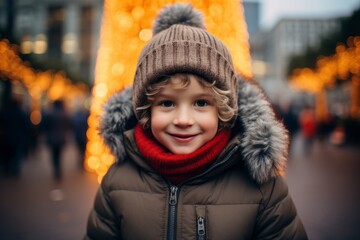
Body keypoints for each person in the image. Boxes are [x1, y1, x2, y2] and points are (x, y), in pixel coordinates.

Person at [85, 3, 308, 239]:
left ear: (223, 110)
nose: (183, 120)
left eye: (201, 103)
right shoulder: (116, 181)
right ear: (146, 111)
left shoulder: (263, 187)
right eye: (167, 103)